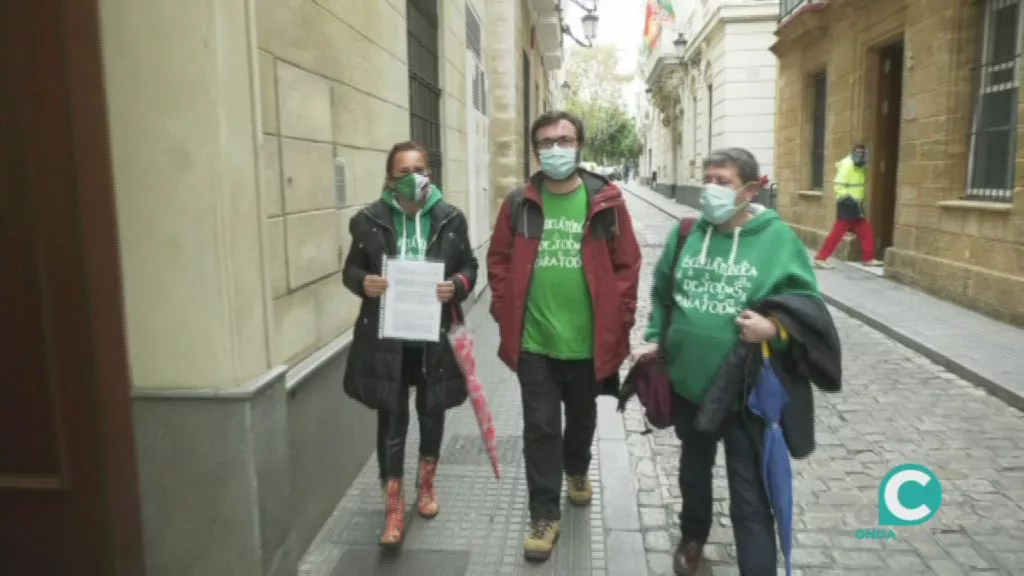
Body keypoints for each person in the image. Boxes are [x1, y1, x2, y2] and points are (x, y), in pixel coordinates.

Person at [635, 148, 840, 575]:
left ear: (750, 189)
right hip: (689, 385)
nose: (711, 188)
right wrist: (656, 338)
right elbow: (663, 293)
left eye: (722, 181)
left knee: (749, 491)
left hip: (744, 392)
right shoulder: (687, 232)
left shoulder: (776, 238)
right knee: (694, 469)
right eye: (706, 178)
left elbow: (807, 309)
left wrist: (774, 330)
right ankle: (693, 539)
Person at [487, 110, 642, 562]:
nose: (556, 148)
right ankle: (543, 514)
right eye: (547, 141)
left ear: (580, 145)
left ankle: (577, 468)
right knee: (539, 428)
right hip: (534, 341)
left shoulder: (607, 203)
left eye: (565, 139)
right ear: (535, 149)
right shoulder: (518, 203)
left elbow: (627, 265)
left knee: (581, 419)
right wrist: (503, 308)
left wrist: (621, 318)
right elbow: (498, 259)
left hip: (587, 342)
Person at [341, 141, 478, 550]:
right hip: (387, 339)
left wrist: (457, 286)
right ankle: (394, 505)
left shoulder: (451, 218)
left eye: (420, 169)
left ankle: (427, 484)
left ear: (430, 175)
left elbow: (469, 266)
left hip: (433, 336)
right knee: (392, 420)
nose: (413, 178)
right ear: (389, 179)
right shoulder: (368, 221)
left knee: (432, 412)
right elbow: (351, 269)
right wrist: (362, 283)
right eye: (403, 172)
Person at [814, 144, 884, 268]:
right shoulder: (848, 165)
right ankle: (820, 258)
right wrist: (850, 201)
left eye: (863, 153)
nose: (860, 155)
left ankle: (869, 258)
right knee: (838, 233)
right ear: (853, 153)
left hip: (855, 205)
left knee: (866, 231)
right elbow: (838, 186)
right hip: (848, 205)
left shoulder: (859, 167)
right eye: (858, 153)